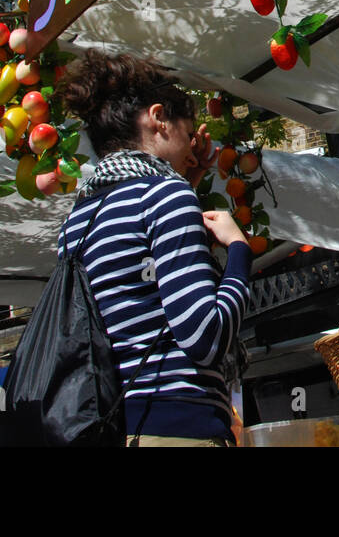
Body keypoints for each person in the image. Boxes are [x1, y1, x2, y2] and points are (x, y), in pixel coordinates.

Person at [58, 50, 251, 446]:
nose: (192, 147)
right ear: (159, 117)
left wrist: (184, 191)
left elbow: (138, 304)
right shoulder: (165, 196)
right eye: (188, 128)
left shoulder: (78, 219)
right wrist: (238, 250)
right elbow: (205, 337)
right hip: (181, 426)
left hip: (115, 426)